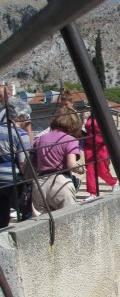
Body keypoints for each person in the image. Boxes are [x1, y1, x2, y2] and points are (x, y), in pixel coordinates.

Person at [32, 110, 84, 213]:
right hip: (60, 183)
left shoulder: (40, 139)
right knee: (69, 218)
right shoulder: (70, 140)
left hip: (40, 184)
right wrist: (80, 168)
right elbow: (71, 164)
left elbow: (33, 161)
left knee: (45, 222)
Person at [0, 98, 32, 228]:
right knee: (27, 208)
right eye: (27, 117)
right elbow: (23, 163)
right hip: (12, 177)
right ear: (21, 116)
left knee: (2, 212)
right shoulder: (20, 134)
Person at [83, 113, 119, 201]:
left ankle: (113, 183)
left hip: (101, 147)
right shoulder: (91, 116)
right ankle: (92, 193)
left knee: (102, 170)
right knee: (90, 170)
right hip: (89, 147)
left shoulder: (103, 116)